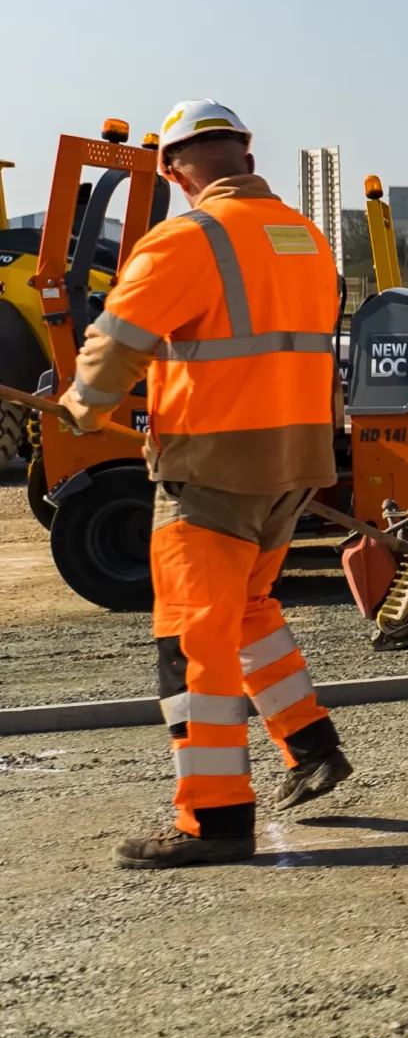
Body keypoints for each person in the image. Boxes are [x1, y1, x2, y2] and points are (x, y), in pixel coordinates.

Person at [61, 101, 354, 867]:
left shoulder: (186, 238)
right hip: (295, 463)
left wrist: (80, 409)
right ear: (246, 155)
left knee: (194, 643)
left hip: (215, 469)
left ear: (170, 168)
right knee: (249, 609)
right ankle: (311, 745)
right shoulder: (306, 238)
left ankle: (215, 819)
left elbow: (118, 340)